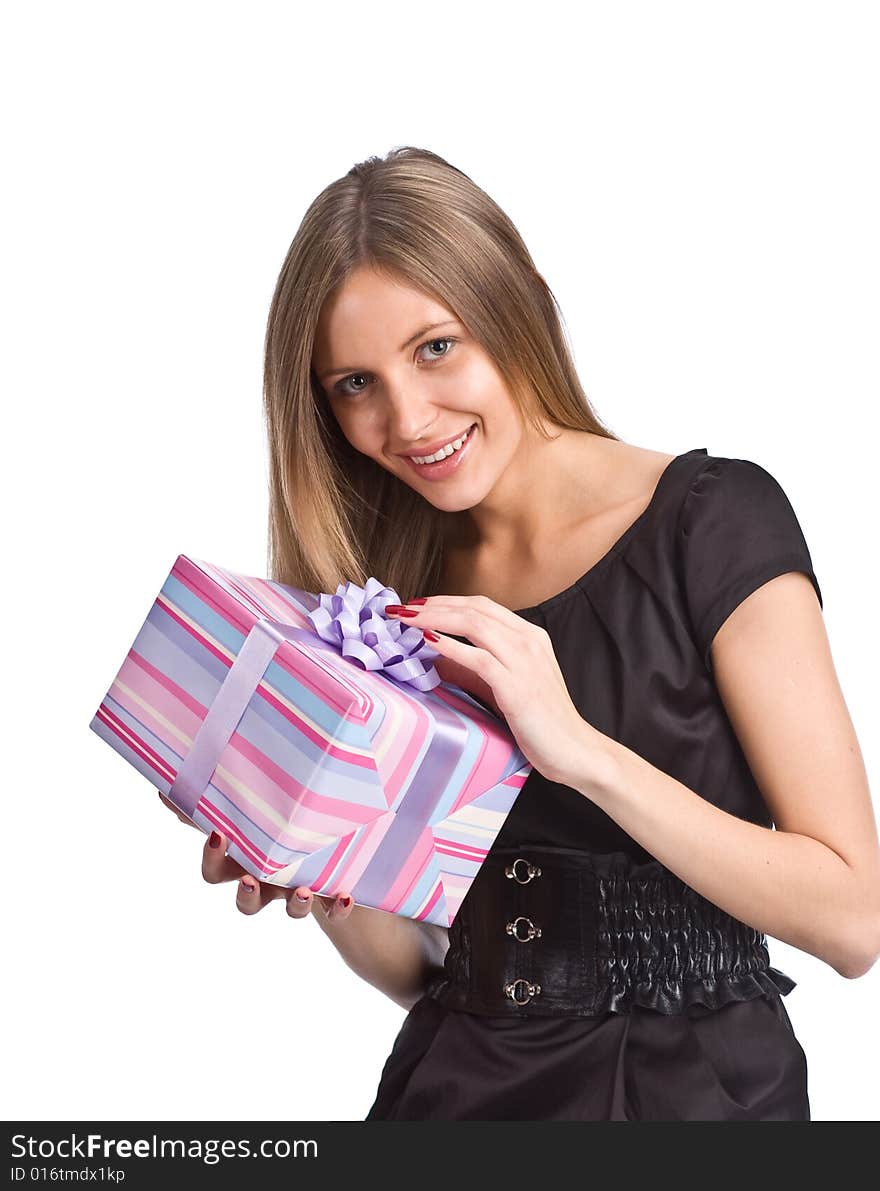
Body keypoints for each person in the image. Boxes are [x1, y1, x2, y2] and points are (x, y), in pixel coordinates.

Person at [160, 146, 880, 1121]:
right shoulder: (394, 601)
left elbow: (851, 920)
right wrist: (322, 865)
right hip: (451, 1095)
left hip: (693, 1102)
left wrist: (579, 750)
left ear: (523, 307)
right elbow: (427, 973)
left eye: (434, 347)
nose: (407, 419)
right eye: (353, 384)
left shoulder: (713, 521)